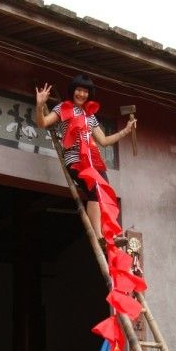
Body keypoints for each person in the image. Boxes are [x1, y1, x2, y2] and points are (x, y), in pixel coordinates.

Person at [35, 73, 136, 248]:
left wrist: (126, 131)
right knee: (94, 193)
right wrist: (39, 105)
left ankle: (109, 235)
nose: (82, 94)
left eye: (85, 91)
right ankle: (99, 237)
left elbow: (104, 141)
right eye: (79, 90)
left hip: (94, 160)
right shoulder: (63, 108)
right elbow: (42, 123)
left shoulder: (90, 115)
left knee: (105, 194)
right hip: (76, 159)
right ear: (73, 91)